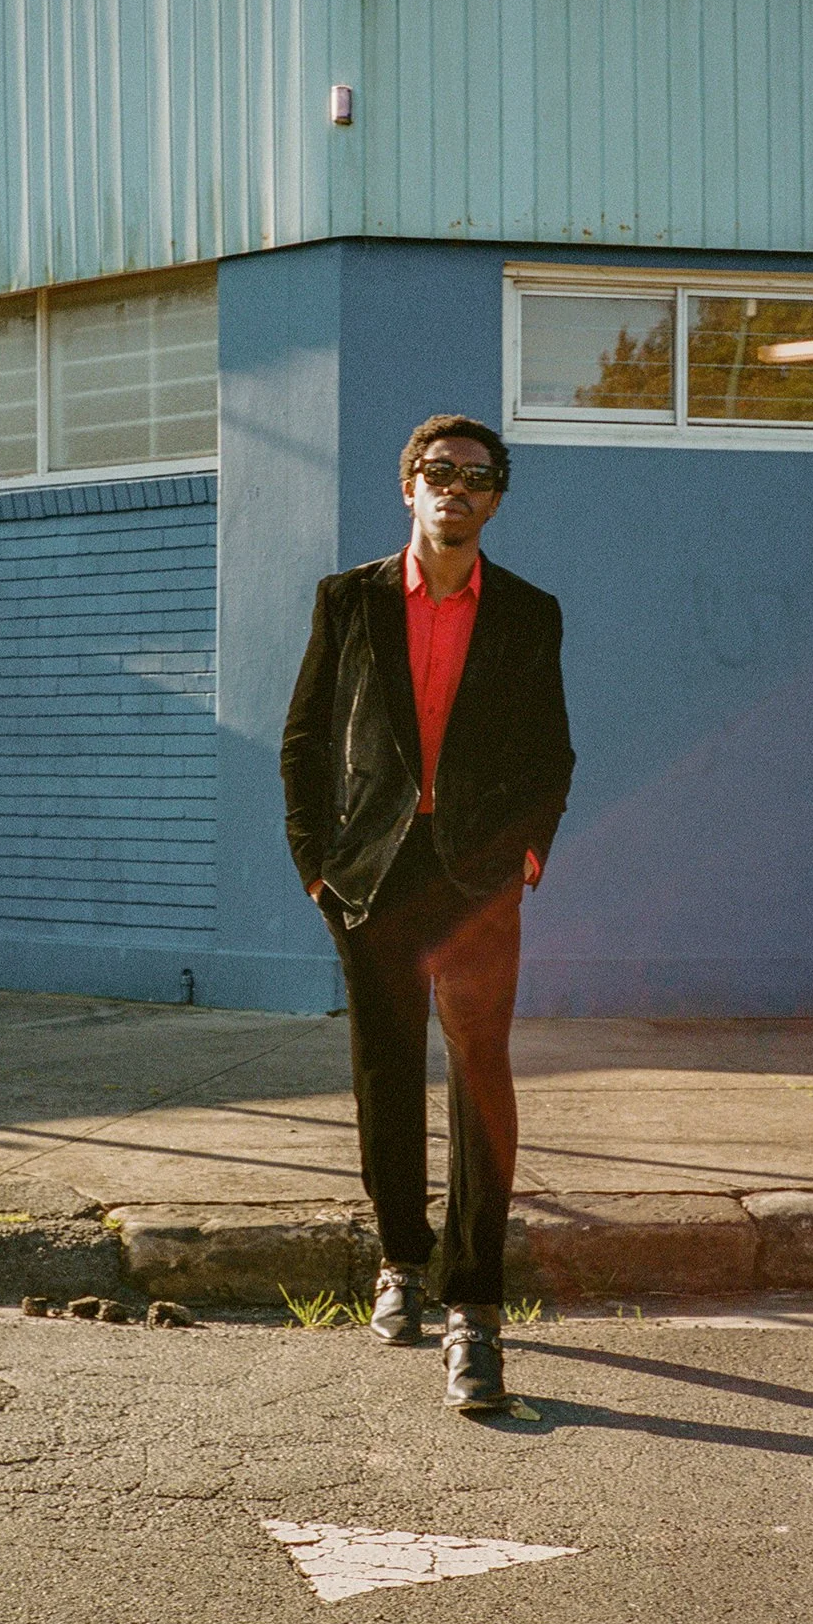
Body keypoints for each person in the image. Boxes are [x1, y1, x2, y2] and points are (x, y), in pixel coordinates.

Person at [280, 415, 575, 1413]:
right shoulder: (349, 600)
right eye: (437, 471)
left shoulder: (529, 612)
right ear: (407, 484)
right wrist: (316, 866)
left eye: (476, 476)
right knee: (386, 1071)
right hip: (372, 876)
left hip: (476, 878)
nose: (456, 487)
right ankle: (400, 1259)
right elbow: (305, 740)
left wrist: (524, 856)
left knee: (480, 1075)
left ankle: (474, 1308)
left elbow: (549, 751)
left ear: (495, 498)